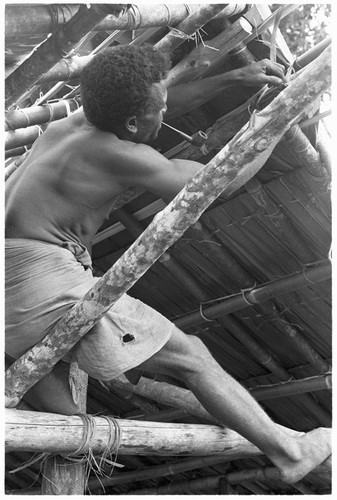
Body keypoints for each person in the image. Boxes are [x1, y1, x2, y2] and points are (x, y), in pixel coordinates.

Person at [5, 45, 330, 484]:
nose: (165, 110)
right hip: (37, 278)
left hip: (13, 286)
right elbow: (219, 181)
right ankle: (290, 452)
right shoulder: (120, 154)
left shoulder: (74, 123)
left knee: (69, 428)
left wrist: (236, 77)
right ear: (133, 123)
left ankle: (74, 449)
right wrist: (280, 122)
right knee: (192, 357)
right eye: (157, 108)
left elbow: (158, 103)